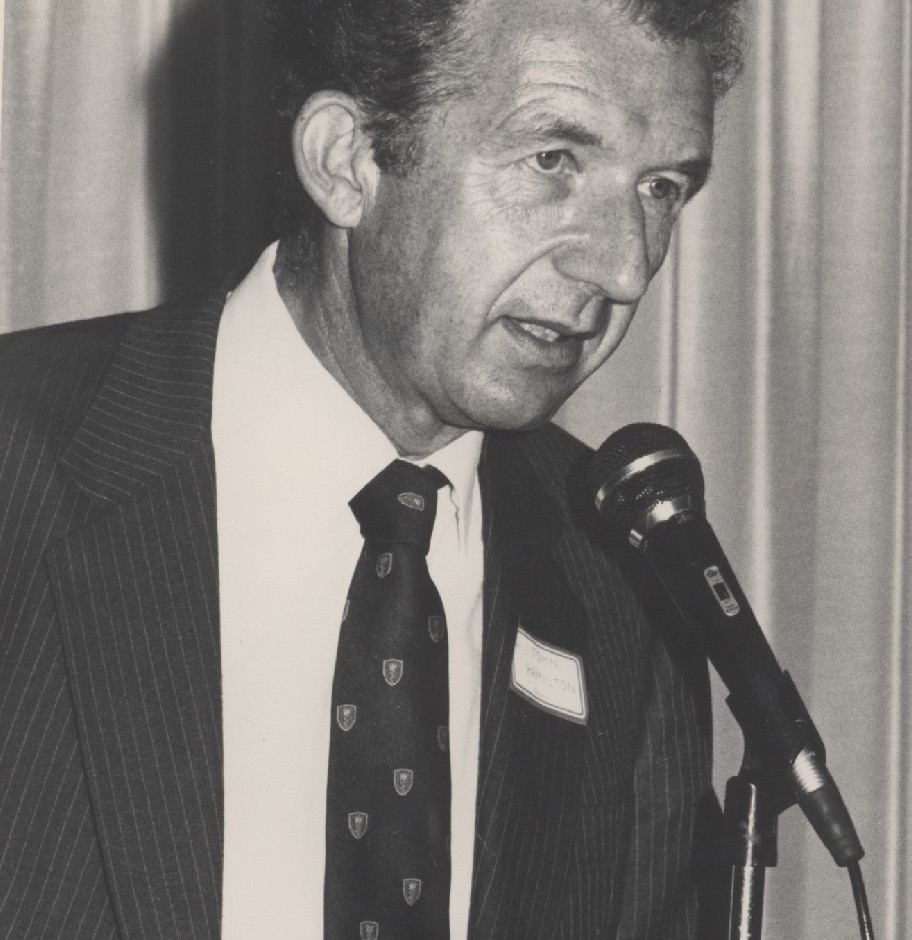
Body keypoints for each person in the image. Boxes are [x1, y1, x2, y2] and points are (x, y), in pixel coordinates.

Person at [0, 0, 743, 936]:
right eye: (553, 160)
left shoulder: (625, 584)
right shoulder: (19, 471)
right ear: (345, 163)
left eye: (662, 187)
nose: (625, 268)